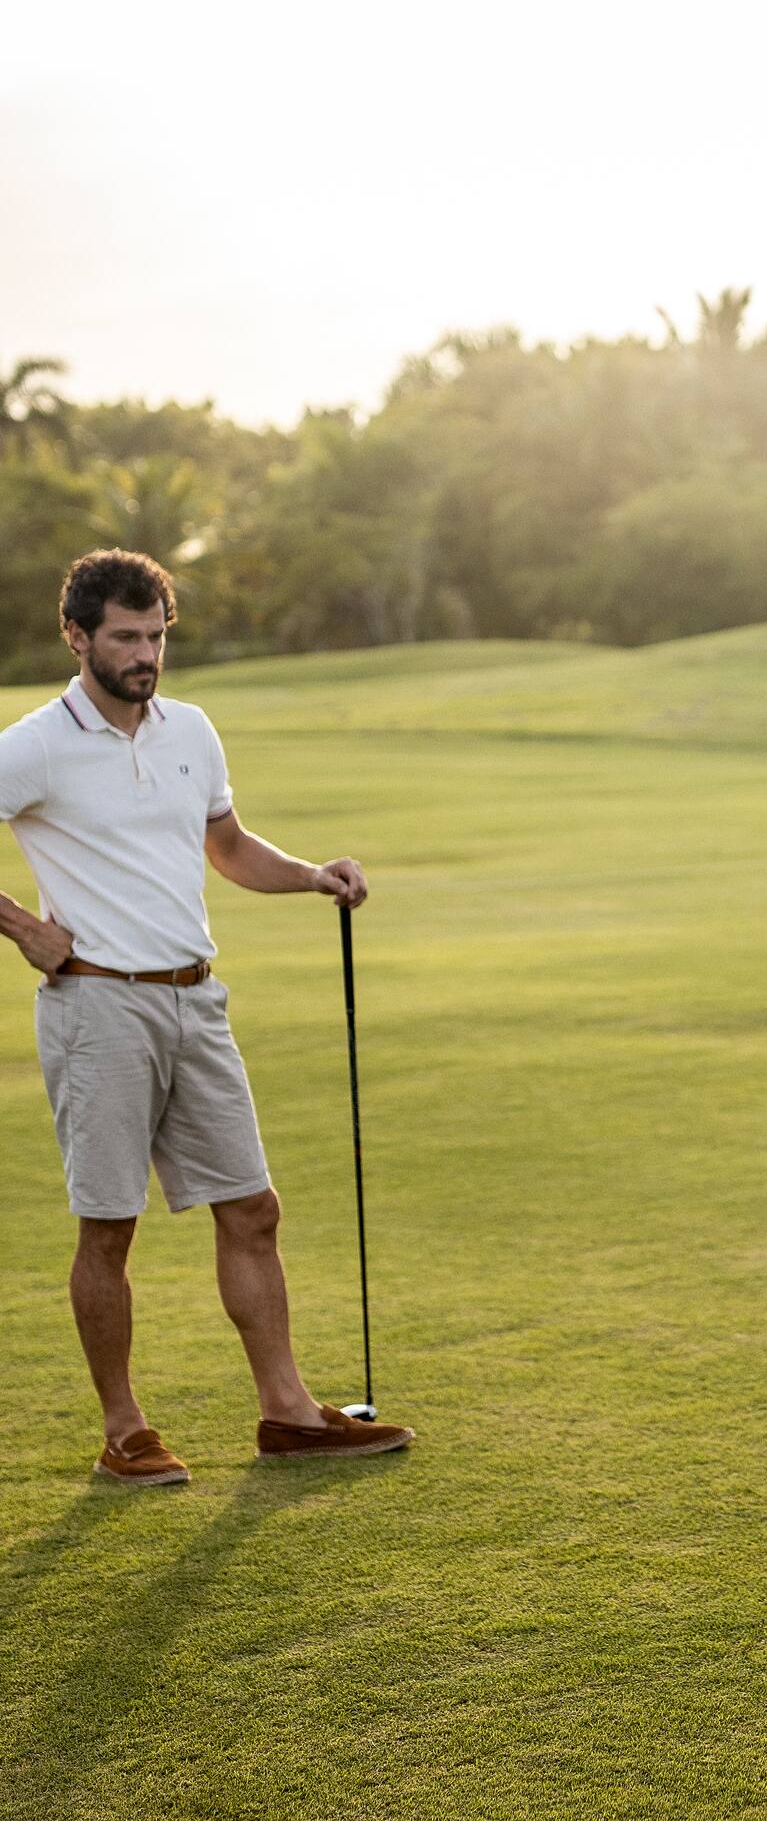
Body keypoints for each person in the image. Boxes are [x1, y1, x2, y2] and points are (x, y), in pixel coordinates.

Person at [0, 550, 414, 1485]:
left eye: (156, 636)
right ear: (77, 636)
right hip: (98, 1006)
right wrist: (26, 929)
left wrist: (312, 875)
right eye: (125, 637)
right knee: (110, 1227)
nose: (146, 654)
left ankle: (290, 1414)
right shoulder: (33, 745)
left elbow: (225, 846)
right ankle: (125, 1432)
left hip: (197, 1001)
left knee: (254, 1209)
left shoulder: (189, 729)